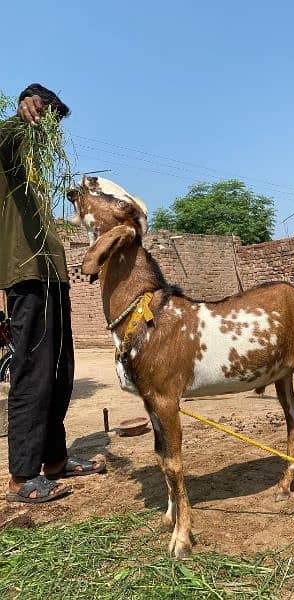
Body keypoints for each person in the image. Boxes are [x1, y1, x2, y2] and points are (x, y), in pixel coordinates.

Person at [0, 83, 105, 503]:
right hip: (26, 278)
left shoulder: (32, 171)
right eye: (48, 118)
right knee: (33, 375)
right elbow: (8, 131)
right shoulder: (9, 146)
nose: (49, 130)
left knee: (60, 374)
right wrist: (24, 111)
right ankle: (22, 477)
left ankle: (55, 460)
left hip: (52, 278)